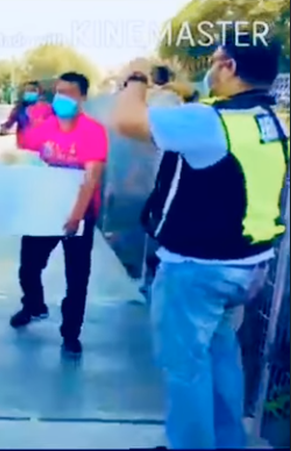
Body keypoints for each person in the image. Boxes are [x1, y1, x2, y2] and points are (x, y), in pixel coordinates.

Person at [112, 31, 288, 449]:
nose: (210, 68)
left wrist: (136, 80)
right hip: (247, 266)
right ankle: (228, 443)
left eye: (214, 60)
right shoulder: (268, 119)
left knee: (184, 367)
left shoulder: (210, 122)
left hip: (196, 270)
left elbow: (125, 120)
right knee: (220, 356)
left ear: (229, 67)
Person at [9, 72, 108, 357]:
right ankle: (33, 304)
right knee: (29, 266)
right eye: (59, 91)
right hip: (42, 210)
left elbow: (92, 177)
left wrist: (75, 216)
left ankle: (71, 333)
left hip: (80, 213)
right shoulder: (44, 128)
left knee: (77, 277)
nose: (61, 97)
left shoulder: (93, 131)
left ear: (83, 97)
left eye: (69, 92)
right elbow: (25, 161)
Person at [2, 81, 52, 149]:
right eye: (27, 90)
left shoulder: (47, 108)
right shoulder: (19, 109)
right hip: (23, 146)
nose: (29, 92)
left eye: (32, 90)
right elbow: (9, 123)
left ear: (39, 92)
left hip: (42, 148)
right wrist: (4, 127)